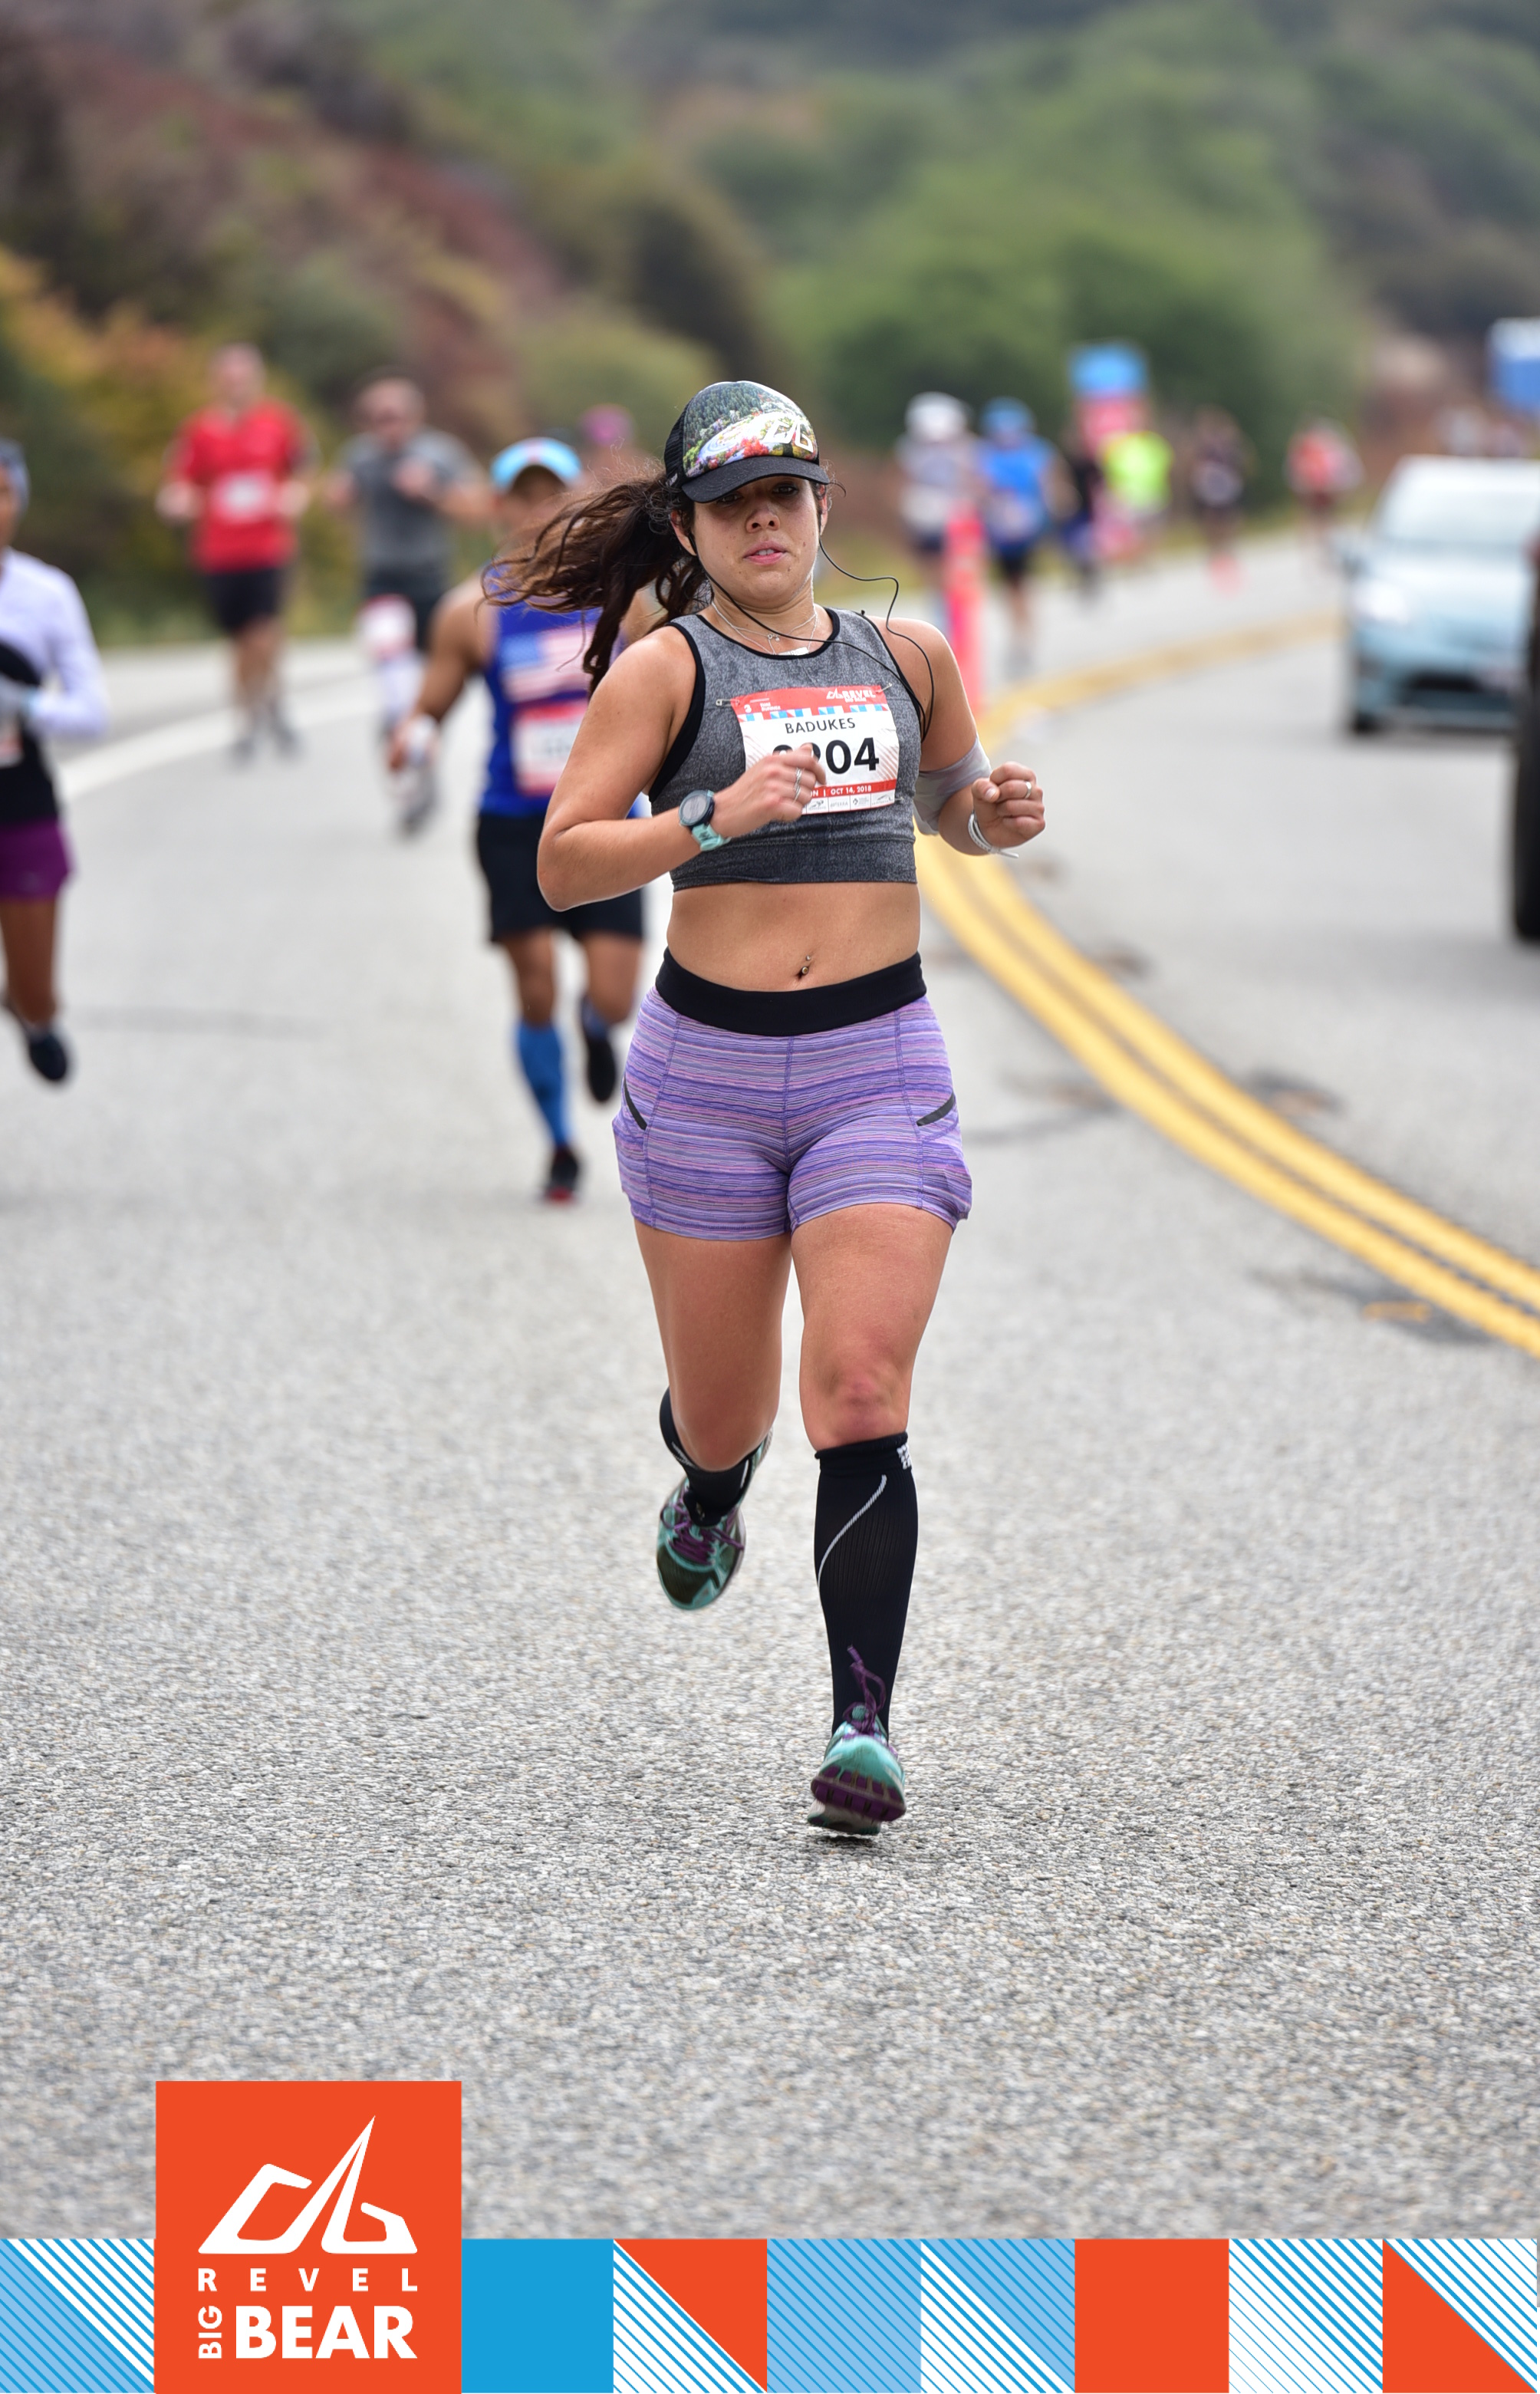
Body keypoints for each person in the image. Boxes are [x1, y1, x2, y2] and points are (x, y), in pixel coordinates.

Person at [525, 380, 1045, 1833]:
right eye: (732, 502)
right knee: (724, 1415)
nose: (764, 521)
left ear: (821, 508)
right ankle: (709, 1485)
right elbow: (564, 863)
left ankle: (860, 1727)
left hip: (878, 1063)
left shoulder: (908, 654)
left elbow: (947, 803)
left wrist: (986, 819)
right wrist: (710, 816)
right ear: (689, 528)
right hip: (707, 1075)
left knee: (860, 1391)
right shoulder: (665, 673)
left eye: (785, 495)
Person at [390, 437, 646, 1204]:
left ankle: (594, 1027)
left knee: (615, 996)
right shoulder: (472, 611)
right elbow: (432, 701)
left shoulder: (625, 598)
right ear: (499, 508)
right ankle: (560, 1143)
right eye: (523, 496)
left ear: (579, 504)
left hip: (607, 822)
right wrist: (415, 734)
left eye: (552, 494)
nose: (538, 511)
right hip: (514, 823)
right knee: (534, 990)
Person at [324, 377, 487, 828]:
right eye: (378, 419)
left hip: (430, 583)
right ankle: (410, 782)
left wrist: (432, 492)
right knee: (397, 692)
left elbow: (479, 508)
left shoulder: (439, 453)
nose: (387, 427)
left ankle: (424, 764)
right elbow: (332, 500)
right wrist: (338, 497)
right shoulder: (360, 457)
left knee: (430, 692)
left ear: (415, 417)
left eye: (394, 417)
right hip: (381, 585)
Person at [0, 439, 109, 1083]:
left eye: (0, 493)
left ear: (18, 502)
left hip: (19, 799)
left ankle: (30, 1011)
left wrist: (26, 706)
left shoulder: (46, 594)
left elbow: (93, 713)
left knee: (37, 993)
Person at [157, 344, 313, 761]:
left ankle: (268, 705)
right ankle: (251, 709)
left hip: (267, 546)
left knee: (265, 629)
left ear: (257, 380)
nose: (237, 387)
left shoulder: (278, 422)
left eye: (244, 379)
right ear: (217, 383)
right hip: (219, 551)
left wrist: (295, 495)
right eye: (229, 379)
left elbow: (302, 469)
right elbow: (180, 480)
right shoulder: (199, 430)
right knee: (239, 638)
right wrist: (178, 500)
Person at [978, 398, 1062, 661]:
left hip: (1026, 529)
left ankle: (1023, 631)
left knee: (1019, 582)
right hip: (1000, 532)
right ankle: (1021, 630)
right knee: (1012, 584)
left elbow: (1050, 489)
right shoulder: (986, 455)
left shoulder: (1035, 453)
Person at [894, 392, 979, 585]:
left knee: (960, 562)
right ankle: (937, 591)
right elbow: (904, 480)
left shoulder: (966, 447)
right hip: (925, 512)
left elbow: (972, 479)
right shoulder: (909, 448)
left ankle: (954, 590)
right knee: (930, 558)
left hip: (958, 512)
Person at [1186, 407, 1251, 580]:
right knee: (1212, 521)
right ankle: (1215, 552)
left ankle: (1227, 550)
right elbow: (1192, 466)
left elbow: (1243, 462)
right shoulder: (1201, 448)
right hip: (1209, 490)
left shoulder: (1229, 446)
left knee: (1229, 519)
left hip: (1227, 488)